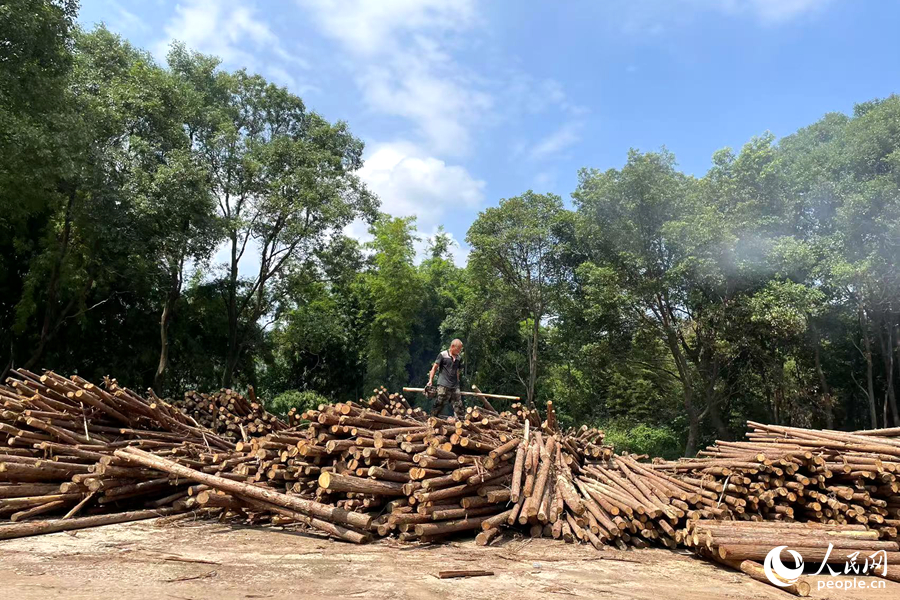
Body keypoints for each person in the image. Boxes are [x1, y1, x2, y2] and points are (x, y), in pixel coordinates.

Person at [427, 339, 465, 417]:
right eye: (458, 349)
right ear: (452, 346)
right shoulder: (443, 355)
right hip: (443, 385)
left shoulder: (459, 358)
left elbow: (457, 371)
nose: (459, 351)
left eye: (460, 350)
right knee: (439, 404)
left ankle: (462, 424)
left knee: (459, 407)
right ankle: (431, 419)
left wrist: (458, 382)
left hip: (454, 386)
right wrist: (430, 380)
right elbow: (434, 368)